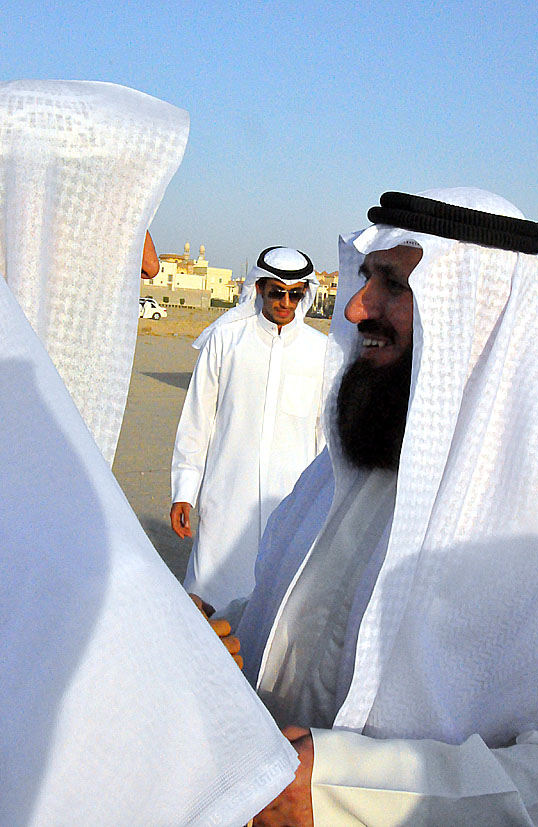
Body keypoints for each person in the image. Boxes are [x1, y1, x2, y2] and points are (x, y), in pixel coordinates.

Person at [0, 79, 298, 827]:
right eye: (130, 223)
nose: (148, 264)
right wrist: (158, 659)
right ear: (34, 216)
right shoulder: (224, 337)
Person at [228, 188, 538, 825]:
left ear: (473, 315)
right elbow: (309, 623)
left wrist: (347, 790)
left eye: (394, 285)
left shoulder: (533, 514)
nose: (354, 308)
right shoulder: (343, 466)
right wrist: (227, 633)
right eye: (366, 276)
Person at [171, 246, 327, 607]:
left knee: (275, 609)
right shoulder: (225, 342)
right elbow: (198, 419)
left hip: (289, 502)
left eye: (295, 293)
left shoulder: (320, 352)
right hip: (226, 497)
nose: (286, 302)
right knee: (206, 603)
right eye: (277, 292)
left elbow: (324, 436)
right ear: (259, 289)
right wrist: (184, 489)